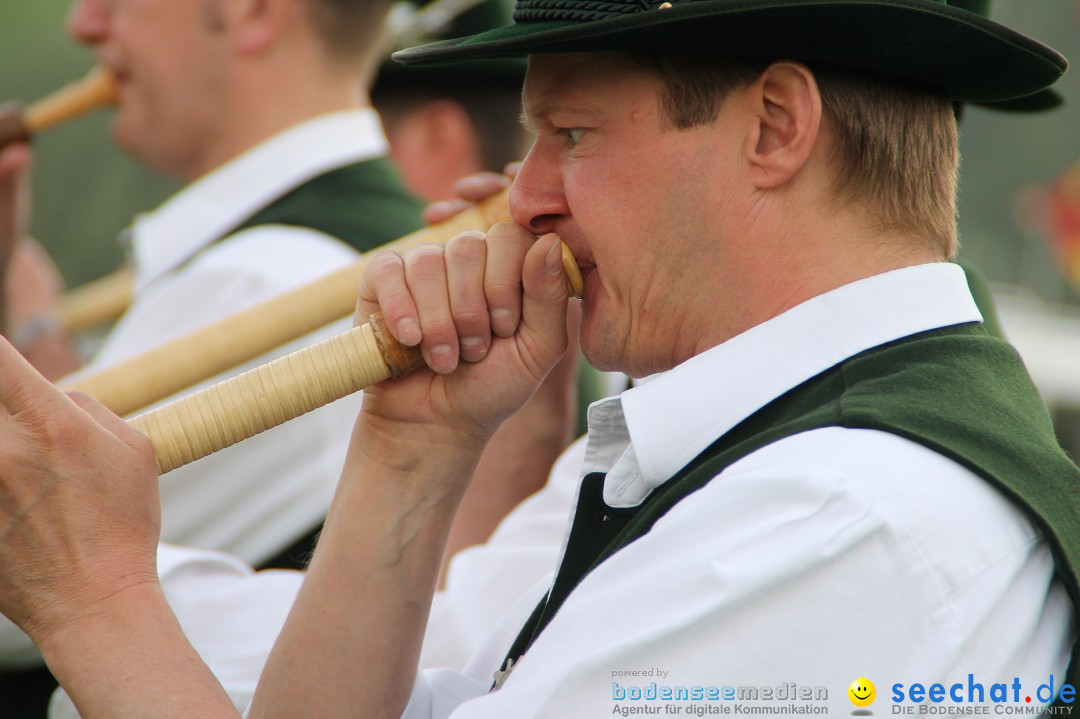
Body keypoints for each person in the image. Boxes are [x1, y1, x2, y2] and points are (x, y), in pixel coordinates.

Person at [1, 0, 1078, 717]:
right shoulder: (732, 457)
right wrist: (411, 449)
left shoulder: (838, 512)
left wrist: (97, 603)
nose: (521, 200)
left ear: (774, 128)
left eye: (569, 134)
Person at [0, 0, 424, 715]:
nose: (86, 23)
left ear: (252, 12)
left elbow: (17, 592)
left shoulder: (258, 279)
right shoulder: (322, 247)